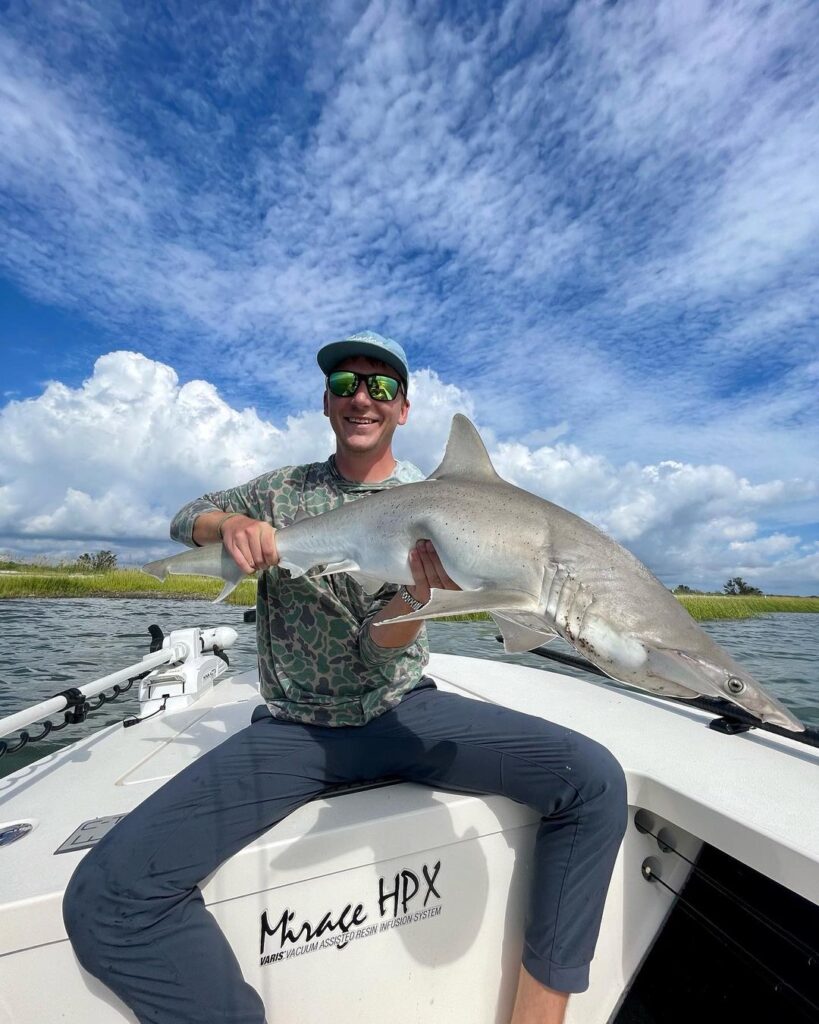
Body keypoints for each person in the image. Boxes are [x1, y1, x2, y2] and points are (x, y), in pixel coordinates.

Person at [63, 330, 627, 1024]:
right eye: (346, 385)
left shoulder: (438, 508)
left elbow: (382, 648)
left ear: (403, 408)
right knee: (110, 893)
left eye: (381, 386)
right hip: (296, 729)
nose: (362, 397)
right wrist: (229, 522)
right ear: (327, 402)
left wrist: (422, 596)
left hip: (403, 713)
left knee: (593, 781)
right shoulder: (281, 491)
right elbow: (184, 516)